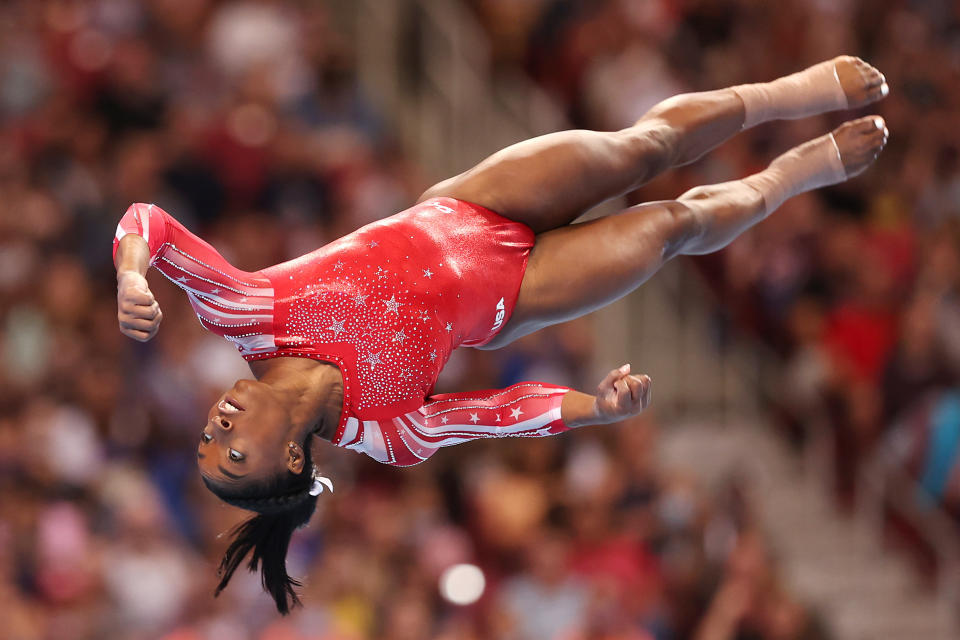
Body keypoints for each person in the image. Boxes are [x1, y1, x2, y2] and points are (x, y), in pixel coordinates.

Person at [113, 56, 888, 612]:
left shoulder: (245, 313)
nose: (215, 426)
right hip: (515, 292)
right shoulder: (383, 432)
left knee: (641, 151)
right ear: (289, 457)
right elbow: (495, 412)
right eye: (233, 453)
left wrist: (134, 275)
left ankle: (787, 91)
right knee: (666, 227)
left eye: (208, 440)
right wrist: (596, 409)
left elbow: (149, 221)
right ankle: (796, 173)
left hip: (469, 205)